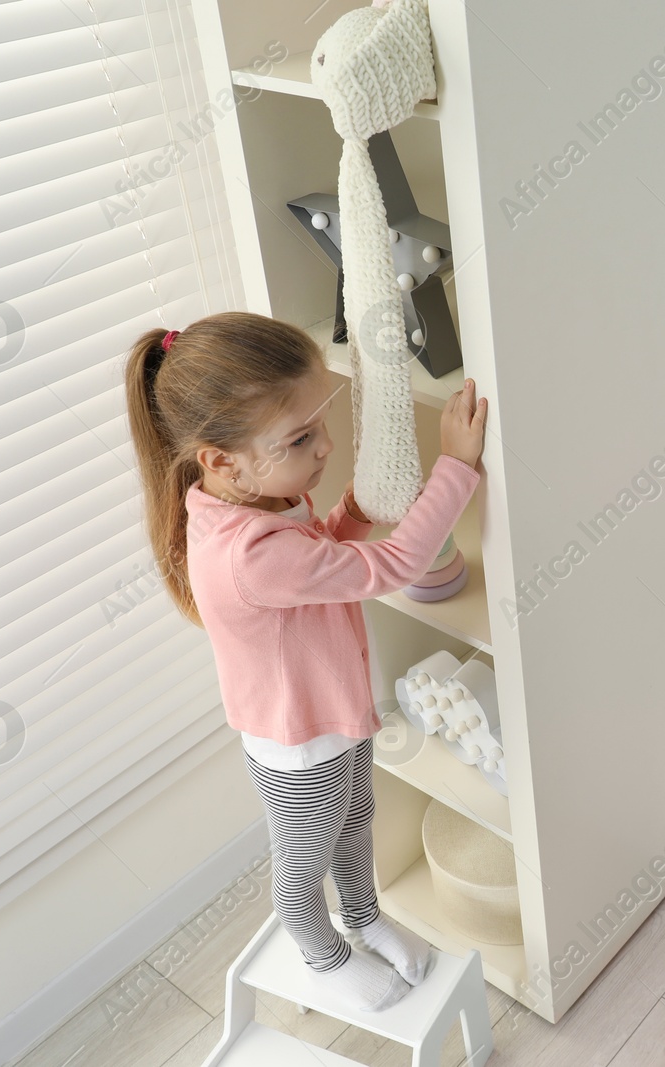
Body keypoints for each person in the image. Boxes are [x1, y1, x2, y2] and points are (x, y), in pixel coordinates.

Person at [123, 310, 487, 1011]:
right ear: (220, 459)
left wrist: (351, 506)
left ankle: (366, 916)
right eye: (300, 437)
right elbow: (390, 565)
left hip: (331, 715)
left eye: (319, 424)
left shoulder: (251, 499)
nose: (324, 447)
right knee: (302, 861)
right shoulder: (251, 554)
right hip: (298, 743)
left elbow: (320, 549)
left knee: (357, 823)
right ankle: (323, 956)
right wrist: (455, 467)